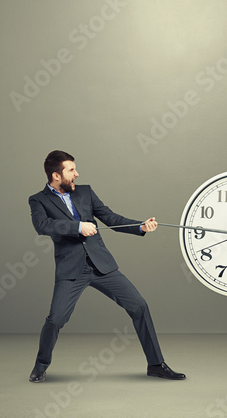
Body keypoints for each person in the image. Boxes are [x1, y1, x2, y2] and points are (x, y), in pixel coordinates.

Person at [28, 150, 185, 382]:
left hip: (101, 265)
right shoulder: (38, 200)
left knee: (139, 306)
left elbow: (110, 218)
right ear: (56, 176)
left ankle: (156, 364)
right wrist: (77, 227)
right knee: (56, 320)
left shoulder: (85, 192)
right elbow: (43, 225)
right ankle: (40, 367)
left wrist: (140, 226)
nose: (77, 174)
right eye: (71, 170)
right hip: (71, 270)